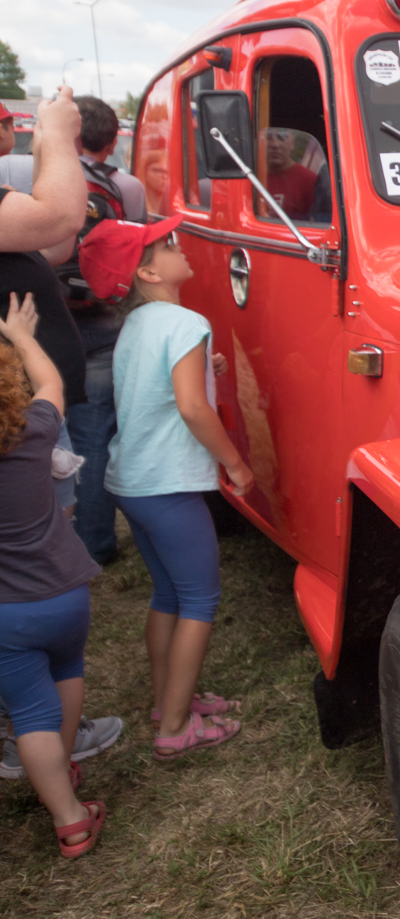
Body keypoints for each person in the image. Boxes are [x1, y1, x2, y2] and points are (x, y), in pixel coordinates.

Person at [80, 218, 252, 757]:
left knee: (168, 594)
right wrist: (235, 464)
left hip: (131, 481)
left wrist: (205, 366)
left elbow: (154, 385)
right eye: (168, 245)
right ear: (149, 273)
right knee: (200, 597)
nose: (181, 248)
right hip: (167, 484)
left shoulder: (136, 323)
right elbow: (192, 408)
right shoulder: (185, 321)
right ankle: (176, 728)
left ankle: (168, 700)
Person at [0, 87, 124, 775]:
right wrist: (54, 132)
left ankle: (35, 716)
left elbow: (55, 238)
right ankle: (34, 723)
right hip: (19, 419)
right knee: (31, 559)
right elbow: (60, 218)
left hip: (23, 417)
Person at [0, 291, 108, 857]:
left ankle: (69, 820)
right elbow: (51, 383)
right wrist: (21, 336)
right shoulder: (34, 430)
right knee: (67, 673)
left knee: (30, 711)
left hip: (6, 613)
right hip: (65, 594)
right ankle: (62, 773)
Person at [67, 96, 148, 566]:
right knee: (95, 434)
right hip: (103, 320)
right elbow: (134, 249)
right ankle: (95, 544)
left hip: (42, 319)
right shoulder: (128, 187)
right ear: (114, 140)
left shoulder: (41, 180)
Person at [261, 127, 316, 217]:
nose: (275, 144)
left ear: (292, 143)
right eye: (268, 137)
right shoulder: (250, 177)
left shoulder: (309, 181)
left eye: (282, 137)